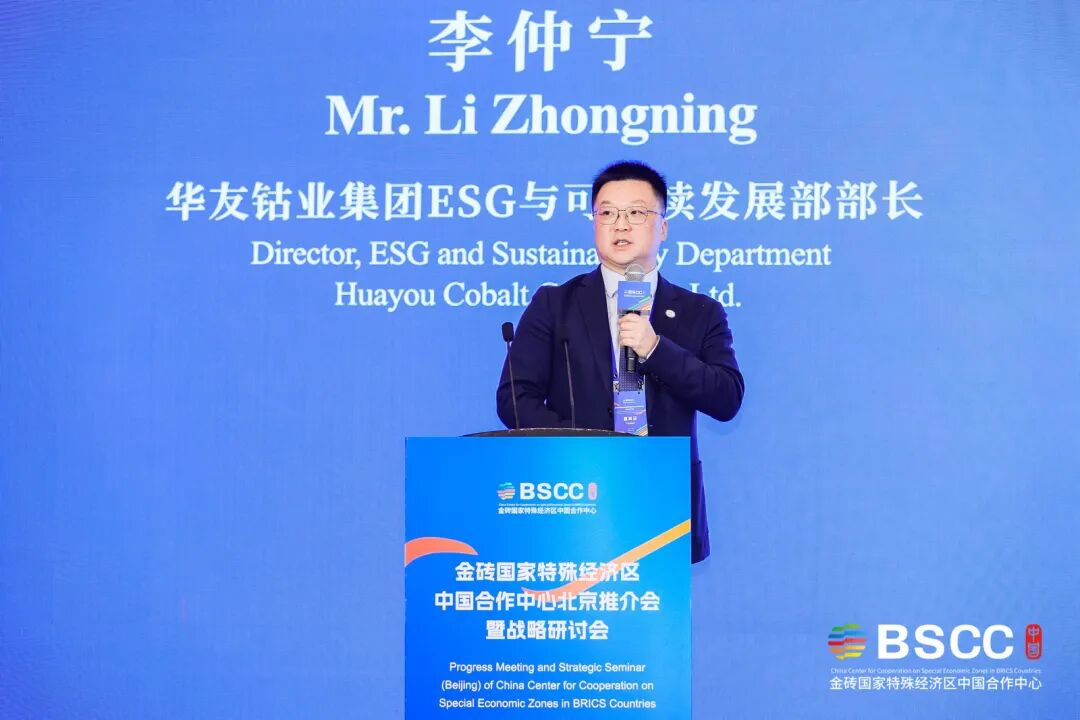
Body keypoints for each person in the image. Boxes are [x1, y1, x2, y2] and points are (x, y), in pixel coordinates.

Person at [497, 160, 744, 563]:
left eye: (636, 213)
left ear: (662, 228)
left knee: (653, 602)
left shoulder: (700, 312)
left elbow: (727, 397)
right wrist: (590, 446)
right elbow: (514, 398)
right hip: (574, 492)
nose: (621, 225)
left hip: (662, 499)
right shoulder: (555, 304)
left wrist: (656, 349)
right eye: (607, 213)